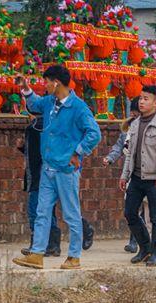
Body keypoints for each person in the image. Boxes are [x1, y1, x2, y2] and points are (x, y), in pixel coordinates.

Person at [13, 65, 101, 270]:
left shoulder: (78, 108)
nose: (45, 86)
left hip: (66, 170)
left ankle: (74, 256)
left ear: (56, 83)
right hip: (49, 167)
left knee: (70, 213)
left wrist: (78, 151)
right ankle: (37, 254)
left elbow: (94, 133)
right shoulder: (50, 102)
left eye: (47, 82)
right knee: (42, 211)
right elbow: (34, 103)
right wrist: (25, 88)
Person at [120, 85, 156, 267]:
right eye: (141, 98)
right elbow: (130, 153)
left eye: (146, 99)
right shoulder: (134, 125)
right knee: (130, 213)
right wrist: (124, 175)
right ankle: (144, 248)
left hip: (154, 178)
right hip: (136, 177)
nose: (142, 102)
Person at [17, 110, 61, 257]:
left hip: (38, 177)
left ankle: (38, 245)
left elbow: (34, 157)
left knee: (35, 211)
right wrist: (24, 148)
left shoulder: (34, 127)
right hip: (48, 174)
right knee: (48, 210)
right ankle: (53, 245)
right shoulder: (50, 125)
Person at [104, 97, 144, 253]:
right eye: (133, 112)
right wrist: (110, 158)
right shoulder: (128, 129)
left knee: (147, 211)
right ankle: (134, 240)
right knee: (132, 209)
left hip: (149, 173)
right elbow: (120, 147)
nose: (134, 115)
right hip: (131, 173)